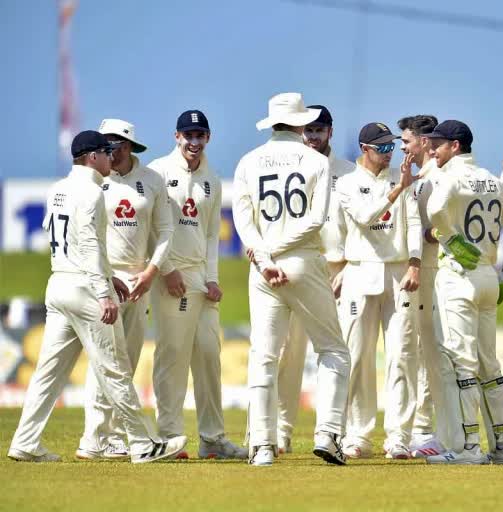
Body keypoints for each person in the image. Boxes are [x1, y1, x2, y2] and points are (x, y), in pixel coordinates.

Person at [7, 130, 186, 463]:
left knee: (48, 372)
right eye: (106, 152)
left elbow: (71, 242)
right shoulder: (91, 192)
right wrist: (105, 292)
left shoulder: (58, 189)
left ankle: (25, 442)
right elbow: (89, 245)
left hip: (58, 283)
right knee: (115, 369)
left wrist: (109, 278)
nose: (111, 158)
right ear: (92, 157)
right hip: (85, 290)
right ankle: (142, 444)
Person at [233, 92, 351, 467]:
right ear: (300, 123)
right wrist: (275, 252)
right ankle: (328, 436)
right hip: (302, 260)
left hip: (263, 266)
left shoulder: (248, 162)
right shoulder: (316, 161)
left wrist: (265, 255)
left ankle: (262, 445)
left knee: (264, 356)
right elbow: (314, 221)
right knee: (332, 350)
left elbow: (243, 221)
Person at [422, 120, 503, 465]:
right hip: (487, 276)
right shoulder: (493, 180)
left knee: (463, 362)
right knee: (489, 362)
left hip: (459, 274)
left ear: (455, 145)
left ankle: (468, 449)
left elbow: (435, 211)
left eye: (437, 144)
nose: (432, 150)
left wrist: (450, 240)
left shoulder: (450, 178)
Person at [148, 110, 245, 459]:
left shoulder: (212, 179)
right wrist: (167, 268)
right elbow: (153, 229)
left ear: (208, 138)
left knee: (208, 354)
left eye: (200, 135)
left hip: (200, 279)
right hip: (168, 276)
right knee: (172, 355)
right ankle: (170, 436)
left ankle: (212, 438)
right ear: (176, 136)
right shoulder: (158, 171)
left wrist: (213, 279)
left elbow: (209, 236)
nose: (193, 141)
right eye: (188, 135)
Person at [76, 119, 174, 460]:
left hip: (139, 280)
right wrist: (100, 278)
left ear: (130, 146)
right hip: (104, 280)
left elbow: (165, 232)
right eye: (106, 145)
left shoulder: (152, 180)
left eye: (117, 144)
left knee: (127, 360)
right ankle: (93, 438)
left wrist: (151, 272)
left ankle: (114, 436)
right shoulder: (93, 184)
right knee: (104, 361)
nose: (111, 151)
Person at [336, 122, 422, 459]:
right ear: (365, 149)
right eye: (382, 148)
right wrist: (398, 189)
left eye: (391, 147)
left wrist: (415, 263)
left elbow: (413, 222)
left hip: (398, 271)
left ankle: (399, 436)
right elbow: (364, 217)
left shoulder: (400, 178)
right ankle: (358, 434)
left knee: (402, 355)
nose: (389, 153)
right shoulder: (346, 184)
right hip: (360, 271)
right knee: (358, 356)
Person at [275, 104, 355, 454]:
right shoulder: (287, 165)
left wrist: (349, 268)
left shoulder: (349, 172)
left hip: (337, 271)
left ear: (330, 132)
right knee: (285, 354)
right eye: (307, 130)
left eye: (319, 129)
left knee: (342, 351)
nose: (312, 136)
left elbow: (361, 229)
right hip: (293, 265)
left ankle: (342, 433)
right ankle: (279, 432)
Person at [397, 114, 447, 457]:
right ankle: (410, 429)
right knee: (407, 350)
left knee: (429, 348)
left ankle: (425, 430)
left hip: (430, 270)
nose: (402, 148)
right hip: (412, 270)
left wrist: (431, 235)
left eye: (406, 142)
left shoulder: (435, 179)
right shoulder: (414, 179)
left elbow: (445, 228)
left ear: (424, 143)